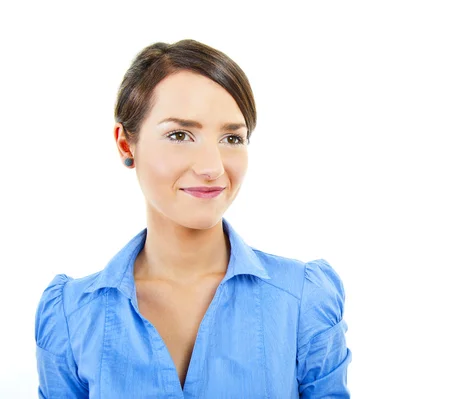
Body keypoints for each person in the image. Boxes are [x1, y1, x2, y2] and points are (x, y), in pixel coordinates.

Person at [34, 39, 351, 398]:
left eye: (232, 138)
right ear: (126, 144)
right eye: (180, 135)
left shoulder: (304, 299)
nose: (212, 167)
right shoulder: (70, 315)